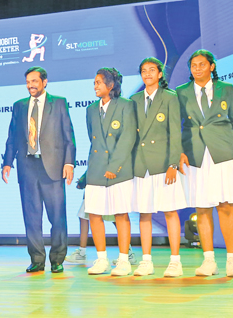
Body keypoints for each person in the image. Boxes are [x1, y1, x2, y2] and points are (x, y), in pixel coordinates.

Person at [175, 50, 233, 277]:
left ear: (212, 67)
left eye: (202, 64)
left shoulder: (226, 89)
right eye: (193, 65)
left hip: (223, 153)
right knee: (202, 207)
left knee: (225, 206)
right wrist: (178, 152)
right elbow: (174, 125)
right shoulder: (180, 92)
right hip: (194, 154)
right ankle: (208, 260)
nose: (197, 68)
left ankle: (232, 260)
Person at [2, 66, 76, 273]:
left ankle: (57, 259)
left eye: (34, 81)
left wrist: (69, 163)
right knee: (31, 216)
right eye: (27, 82)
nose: (30, 85)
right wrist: (7, 162)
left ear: (44, 82)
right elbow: (12, 137)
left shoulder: (59, 103)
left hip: (52, 167)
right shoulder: (19, 106)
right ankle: (37, 259)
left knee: (57, 216)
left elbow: (68, 135)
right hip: (27, 166)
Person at [131, 57, 188, 277]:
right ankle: (146, 261)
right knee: (144, 213)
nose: (147, 74)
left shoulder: (170, 98)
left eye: (151, 70)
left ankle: (175, 261)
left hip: (164, 163)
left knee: (170, 211)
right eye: (143, 71)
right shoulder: (134, 99)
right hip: (141, 164)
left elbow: (176, 132)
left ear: (160, 74)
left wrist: (173, 163)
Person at [84, 67, 136, 276]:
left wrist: (114, 167)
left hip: (119, 170)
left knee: (121, 214)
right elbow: (92, 138)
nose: (95, 86)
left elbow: (128, 138)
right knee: (94, 214)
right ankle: (101, 259)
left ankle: (124, 260)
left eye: (99, 82)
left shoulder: (126, 106)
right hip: (96, 168)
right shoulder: (90, 109)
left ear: (111, 85)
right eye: (94, 83)